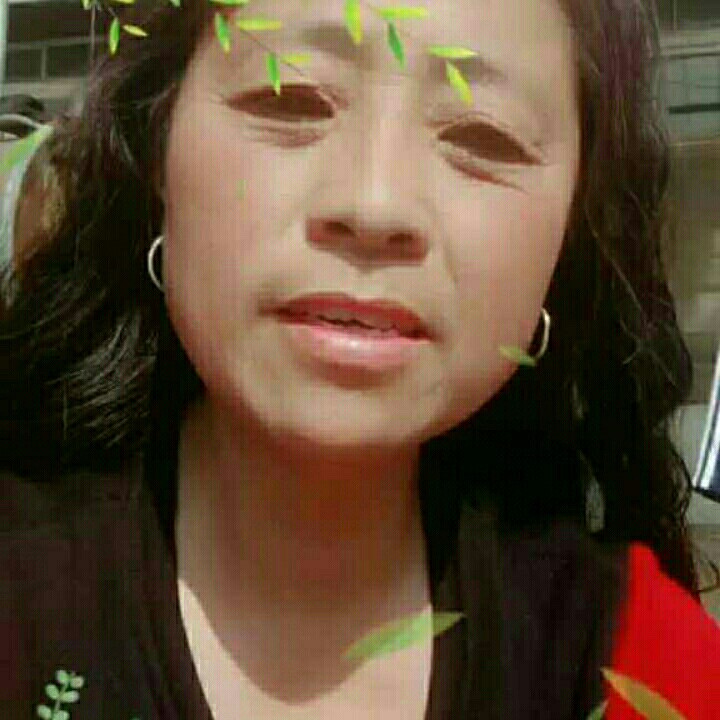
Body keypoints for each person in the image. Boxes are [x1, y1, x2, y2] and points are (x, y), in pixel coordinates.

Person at [2, 0, 720, 718]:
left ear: (572, 228)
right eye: (290, 97)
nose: (374, 208)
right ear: (156, 146)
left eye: (483, 135)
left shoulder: (649, 667)